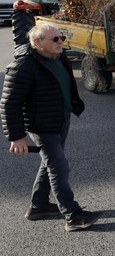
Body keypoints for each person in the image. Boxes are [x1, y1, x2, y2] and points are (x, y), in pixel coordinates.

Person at [0, 23, 103, 232]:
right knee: (59, 166)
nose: (60, 43)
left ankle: (39, 206)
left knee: (50, 164)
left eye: (61, 38)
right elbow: (9, 103)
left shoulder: (59, 56)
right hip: (42, 125)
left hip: (60, 119)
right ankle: (73, 216)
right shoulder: (24, 66)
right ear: (37, 43)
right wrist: (16, 137)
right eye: (54, 39)